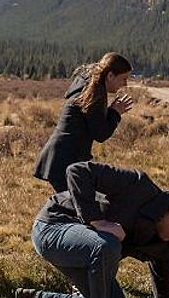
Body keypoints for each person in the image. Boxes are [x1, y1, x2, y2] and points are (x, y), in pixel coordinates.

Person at [16, 161, 169, 298]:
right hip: (53, 227)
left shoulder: (166, 244)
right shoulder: (138, 186)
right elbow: (77, 171)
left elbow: (165, 285)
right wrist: (96, 221)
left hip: (91, 253)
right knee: (108, 245)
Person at [34, 52, 134, 193]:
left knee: (75, 205)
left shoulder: (90, 88)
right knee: (78, 206)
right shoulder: (93, 94)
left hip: (62, 159)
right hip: (64, 162)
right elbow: (100, 133)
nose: (125, 84)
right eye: (123, 79)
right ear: (110, 76)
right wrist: (115, 113)